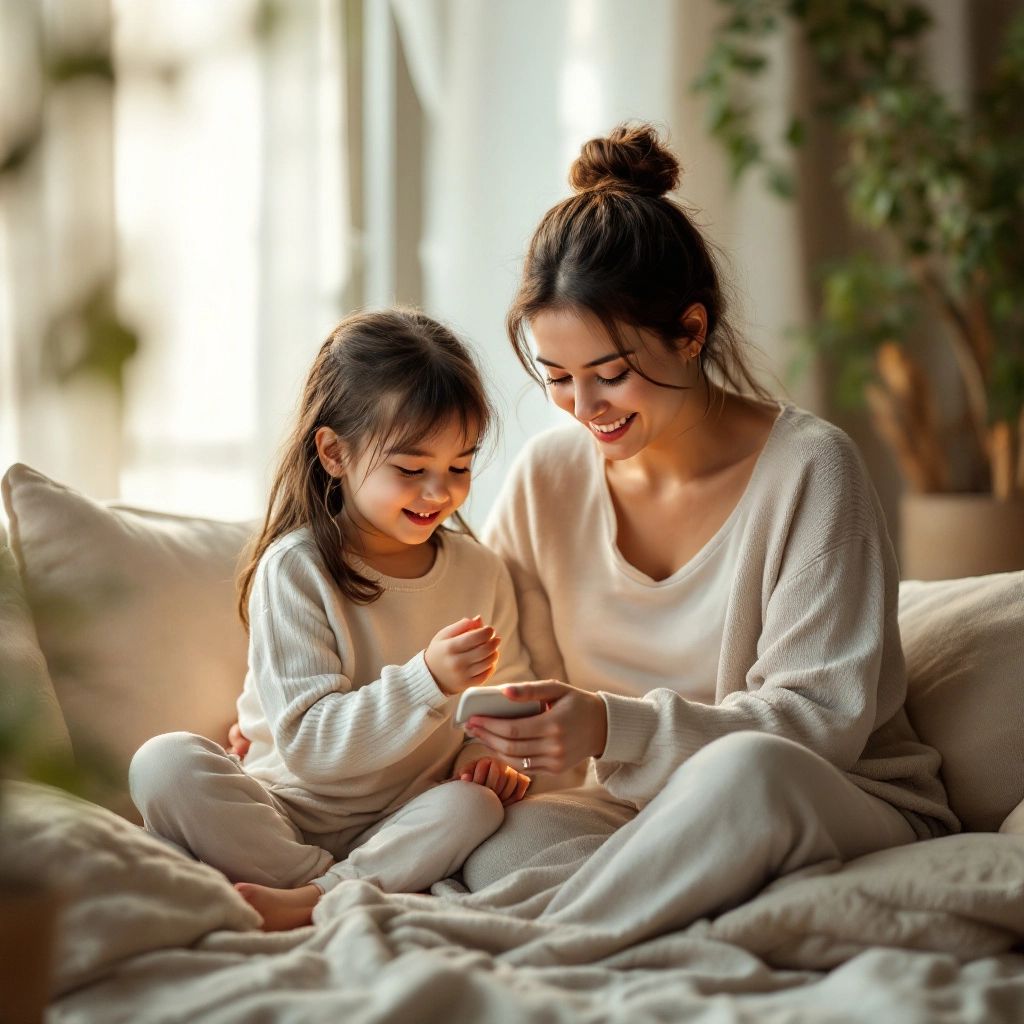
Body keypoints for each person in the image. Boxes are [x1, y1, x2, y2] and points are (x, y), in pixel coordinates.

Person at [455, 122, 959, 956]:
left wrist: (611, 729)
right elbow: (488, 642)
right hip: (624, 811)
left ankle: (540, 948)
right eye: (558, 380)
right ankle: (638, 921)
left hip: (822, 792)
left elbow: (815, 724)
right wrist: (302, 716)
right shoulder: (549, 478)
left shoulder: (811, 470)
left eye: (611, 373)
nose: (587, 409)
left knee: (743, 774)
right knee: (502, 841)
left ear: (690, 331)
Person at [129, 309, 532, 931]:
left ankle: (312, 894)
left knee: (475, 806)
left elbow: (511, 699)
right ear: (334, 452)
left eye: (459, 466)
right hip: (284, 808)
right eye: (409, 468)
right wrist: (427, 679)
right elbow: (312, 748)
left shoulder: (482, 572)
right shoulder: (296, 568)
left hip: (405, 815)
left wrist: (484, 755)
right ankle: (331, 890)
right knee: (162, 763)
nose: (438, 492)